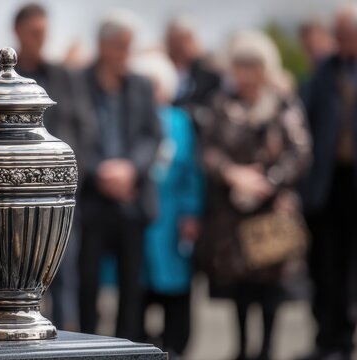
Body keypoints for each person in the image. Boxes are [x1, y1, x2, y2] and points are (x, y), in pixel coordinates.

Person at [196, 30, 311, 360]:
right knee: (239, 284)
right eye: (240, 66)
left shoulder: (282, 103)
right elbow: (208, 150)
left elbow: (300, 151)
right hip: (233, 210)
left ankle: (268, 348)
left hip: (273, 207)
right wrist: (233, 174)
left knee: (272, 285)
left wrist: (270, 181)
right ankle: (243, 347)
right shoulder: (222, 104)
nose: (246, 74)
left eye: (253, 66)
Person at [0, 3, 95, 330]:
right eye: (35, 32)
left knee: (62, 276)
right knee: (4, 277)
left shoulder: (64, 77)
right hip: (8, 198)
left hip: (55, 193)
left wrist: (70, 174)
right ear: (18, 31)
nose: (40, 38)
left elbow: (85, 128)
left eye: (44, 33)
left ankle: (60, 341)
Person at [79, 11, 162, 341]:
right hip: (91, 198)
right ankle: (84, 343)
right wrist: (100, 171)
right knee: (87, 282)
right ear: (102, 46)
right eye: (120, 46)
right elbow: (73, 133)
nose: (126, 53)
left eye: (129, 46)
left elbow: (151, 136)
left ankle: (125, 345)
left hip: (132, 197)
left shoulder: (141, 85)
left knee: (131, 284)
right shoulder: (78, 81)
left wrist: (129, 169)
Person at [299, 2, 357, 359]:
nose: (340, 42)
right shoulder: (323, 72)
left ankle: (349, 338)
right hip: (326, 186)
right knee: (326, 267)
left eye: (347, 35)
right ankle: (327, 340)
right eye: (337, 35)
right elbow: (303, 123)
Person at [131, 52, 204, 359]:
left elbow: (190, 171)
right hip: (140, 217)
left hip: (172, 214)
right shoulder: (132, 119)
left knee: (175, 286)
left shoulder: (179, 120)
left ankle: (176, 344)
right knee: (137, 286)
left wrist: (191, 213)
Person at [165, 15, 221, 111]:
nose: (180, 46)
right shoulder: (161, 68)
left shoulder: (207, 73)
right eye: (176, 40)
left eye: (185, 40)